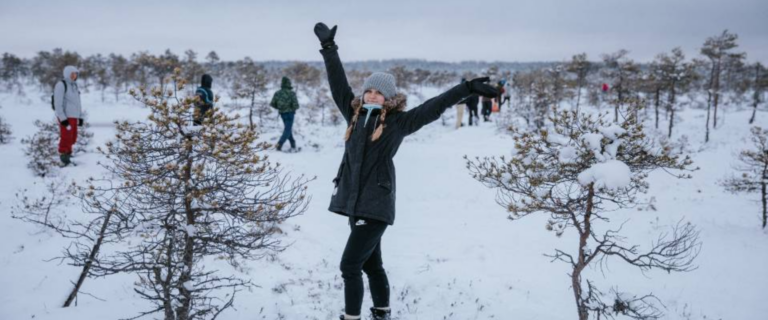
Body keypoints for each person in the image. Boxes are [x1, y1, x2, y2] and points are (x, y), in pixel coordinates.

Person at [314, 22, 498, 320]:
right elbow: (338, 83)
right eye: (369, 91)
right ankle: (383, 312)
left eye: (379, 92)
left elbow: (433, 107)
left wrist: (465, 89)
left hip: (375, 206)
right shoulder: (354, 115)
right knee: (371, 265)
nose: (372, 95)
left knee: (349, 266)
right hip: (354, 203)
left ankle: (351, 318)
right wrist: (329, 49)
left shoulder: (398, 123)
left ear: (389, 97)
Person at [53, 65, 83, 166]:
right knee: (66, 138)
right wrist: (63, 118)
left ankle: (68, 158)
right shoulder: (61, 85)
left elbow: (78, 103)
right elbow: (58, 103)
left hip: (74, 117)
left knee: (72, 138)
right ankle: (63, 160)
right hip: (66, 116)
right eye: (72, 74)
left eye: (76, 74)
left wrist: (80, 116)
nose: (74, 76)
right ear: (67, 74)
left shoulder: (74, 86)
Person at [270, 76, 300, 151]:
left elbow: (272, 104)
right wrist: (292, 109)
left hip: (282, 114)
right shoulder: (292, 93)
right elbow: (296, 105)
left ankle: (293, 144)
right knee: (287, 130)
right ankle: (279, 145)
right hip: (290, 114)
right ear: (288, 84)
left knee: (288, 129)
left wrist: (280, 108)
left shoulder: (277, 93)